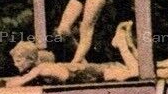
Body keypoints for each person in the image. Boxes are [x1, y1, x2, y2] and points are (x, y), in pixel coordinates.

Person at [8, 21, 144, 86]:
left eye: (19, 60)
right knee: (140, 71)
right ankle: (126, 42)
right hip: (91, 73)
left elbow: (16, 83)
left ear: (31, 59)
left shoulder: (41, 69)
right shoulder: (41, 66)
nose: (15, 64)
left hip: (98, 73)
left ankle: (122, 42)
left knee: (137, 74)